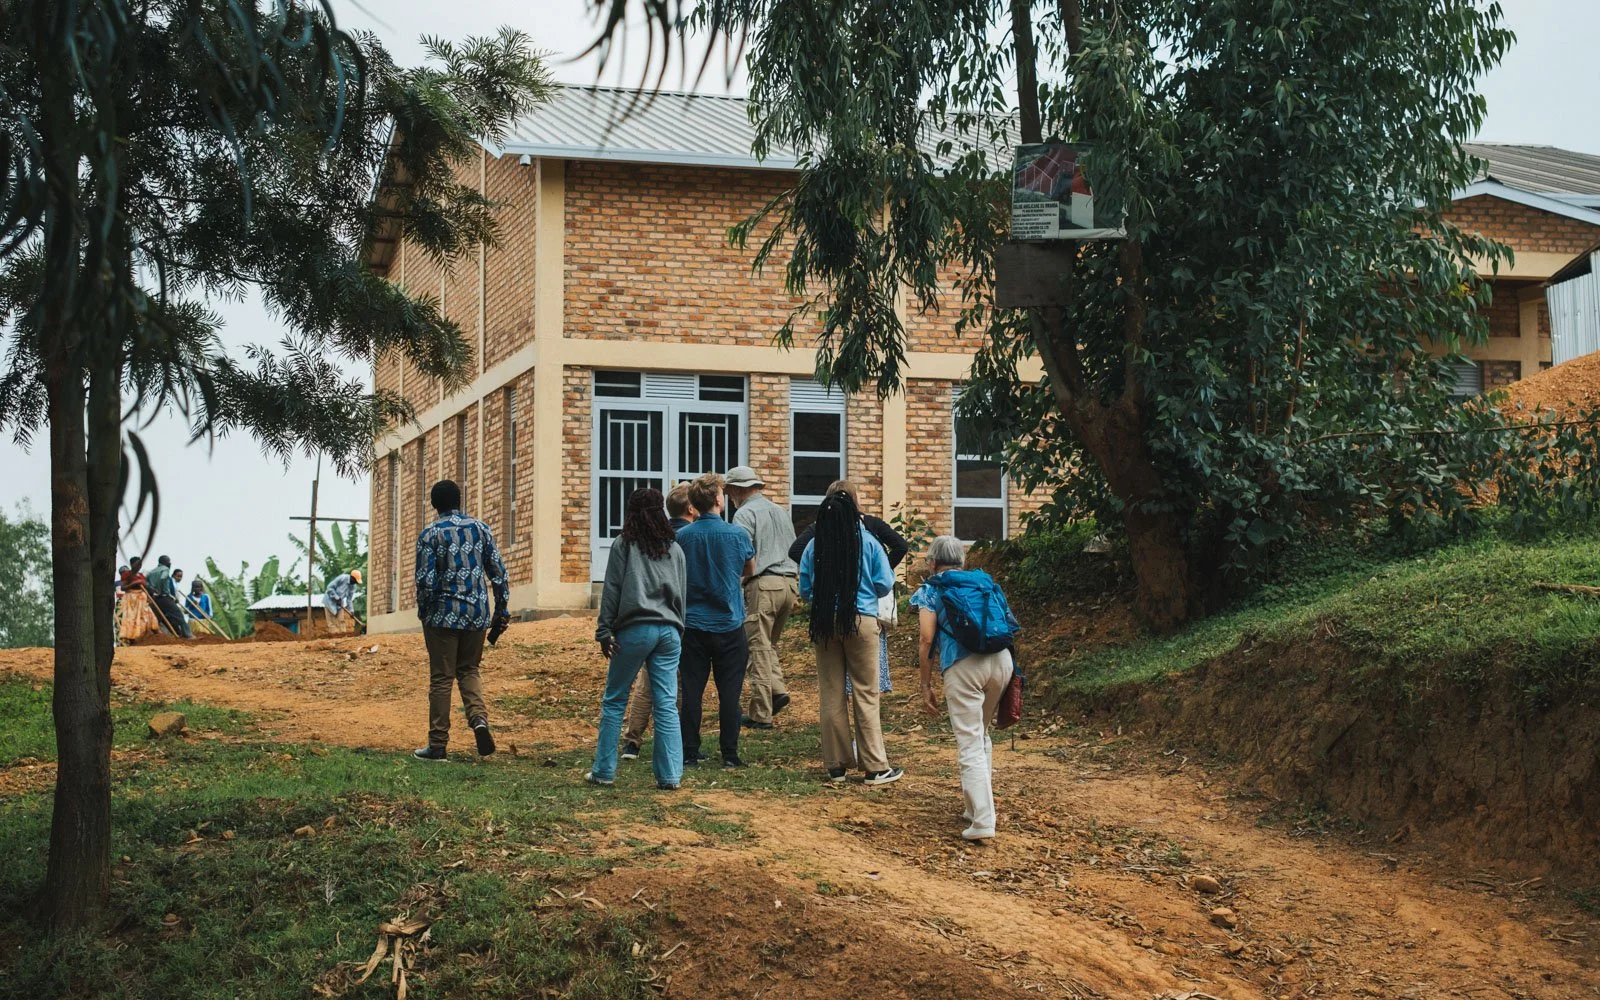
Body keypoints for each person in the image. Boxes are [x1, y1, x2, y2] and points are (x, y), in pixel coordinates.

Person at [912, 535, 1018, 842]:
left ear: (932, 563)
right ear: (962, 560)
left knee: (970, 741)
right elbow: (1008, 624)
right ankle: (975, 809)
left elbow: (926, 638)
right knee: (980, 735)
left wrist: (925, 684)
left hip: (963, 666)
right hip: (1001, 660)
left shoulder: (931, 589)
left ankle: (983, 819)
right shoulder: (984, 582)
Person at [799, 489, 901, 786]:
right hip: (861, 621)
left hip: (824, 623)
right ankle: (874, 767)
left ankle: (836, 766)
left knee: (831, 692)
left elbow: (805, 589)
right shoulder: (868, 542)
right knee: (865, 692)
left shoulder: (814, 546)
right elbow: (884, 583)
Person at [586, 487, 686, 790]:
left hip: (635, 629)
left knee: (615, 699)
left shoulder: (623, 544)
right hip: (669, 631)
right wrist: (679, 628)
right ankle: (670, 776)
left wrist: (604, 630)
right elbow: (682, 593)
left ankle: (604, 771)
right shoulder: (675, 549)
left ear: (630, 512)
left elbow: (612, 589)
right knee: (666, 704)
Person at [413, 479, 509, 761]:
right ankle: (479, 721)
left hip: (442, 615)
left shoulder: (430, 535)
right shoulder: (481, 529)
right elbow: (499, 573)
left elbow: (425, 580)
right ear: (459, 501)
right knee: (469, 670)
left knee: (442, 678)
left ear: (434, 504)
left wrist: (425, 612)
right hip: (476, 614)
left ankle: (438, 745)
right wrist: (501, 610)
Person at [789, 480, 908, 694]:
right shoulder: (869, 536)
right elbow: (886, 579)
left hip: (826, 617)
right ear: (854, 501)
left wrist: (823, 572)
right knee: (867, 691)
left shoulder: (817, 538)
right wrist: (872, 574)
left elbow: (803, 582)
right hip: (862, 615)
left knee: (831, 691)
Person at [674, 472, 755, 769]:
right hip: (729, 622)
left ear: (693, 504)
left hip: (692, 624)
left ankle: (689, 751)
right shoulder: (737, 534)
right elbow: (750, 568)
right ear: (719, 500)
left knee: (691, 692)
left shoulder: (682, 537)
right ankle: (730, 753)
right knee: (730, 693)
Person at [620, 483, 696, 760]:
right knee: (672, 687)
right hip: (676, 619)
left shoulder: (646, 537)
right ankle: (674, 747)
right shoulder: (681, 539)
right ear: (691, 507)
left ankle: (633, 739)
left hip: (648, 618)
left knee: (646, 684)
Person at [725, 465, 799, 729]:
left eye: (729, 492)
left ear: (736, 490)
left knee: (755, 647)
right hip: (789, 584)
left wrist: (733, 584)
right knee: (766, 645)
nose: (729, 498)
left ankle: (761, 714)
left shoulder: (744, 514)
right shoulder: (780, 511)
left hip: (764, 584)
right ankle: (776, 691)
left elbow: (741, 554)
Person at [145, 555, 192, 638]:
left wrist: (152, 590)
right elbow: (163, 578)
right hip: (164, 597)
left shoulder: (151, 572)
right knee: (178, 615)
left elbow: (146, 583)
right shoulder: (165, 569)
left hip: (155, 599)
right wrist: (165, 591)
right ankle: (188, 635)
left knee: (164, 618)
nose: (170, 563)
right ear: (165, 562)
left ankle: (178, 634)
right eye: (169, 561)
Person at [325, 568, 362, 635]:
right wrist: (336, 597)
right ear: (352, 577)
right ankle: (335, 636)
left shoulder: (353, 586)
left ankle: (343, 635)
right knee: (332, 622)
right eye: (355, 581)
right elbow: (329, 587)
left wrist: (351, 611)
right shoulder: (342, 578)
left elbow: (349, 599)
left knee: (341, 620)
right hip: (330, 601)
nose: (355, 583)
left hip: (340, 604)